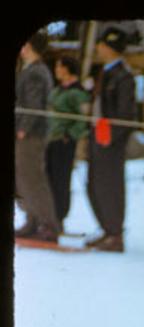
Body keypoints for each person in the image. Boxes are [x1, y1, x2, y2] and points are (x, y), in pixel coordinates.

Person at [85, 26, 137, 253]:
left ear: (111, 48)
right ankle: (106, 228)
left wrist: (110, 138)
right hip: (97, 135)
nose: (99, 48)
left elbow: (125, 115)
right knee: (94, 184)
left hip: (110, 140)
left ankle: (115, 233)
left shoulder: (124, 76)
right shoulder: (104, 72)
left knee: (110, 186)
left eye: (103, 45)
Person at [15, 32, 61, 242]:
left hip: (31, 134)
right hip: (26, 132)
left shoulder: (35, 72)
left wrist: (23, 128)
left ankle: (48, 224)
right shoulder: (31, 69)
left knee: (33, 178)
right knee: (23, 178)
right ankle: (32, 219)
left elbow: (33, 104)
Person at [45, 55, 90, 234]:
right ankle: (49, 217)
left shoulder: (78, 93)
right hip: (51, 139)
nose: (56, 70)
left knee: (61, 180)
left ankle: (60, 218)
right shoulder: (57, 91)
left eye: (59, 66)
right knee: (49, 178)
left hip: (64, 142)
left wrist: (70, 135)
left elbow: (82, 119)